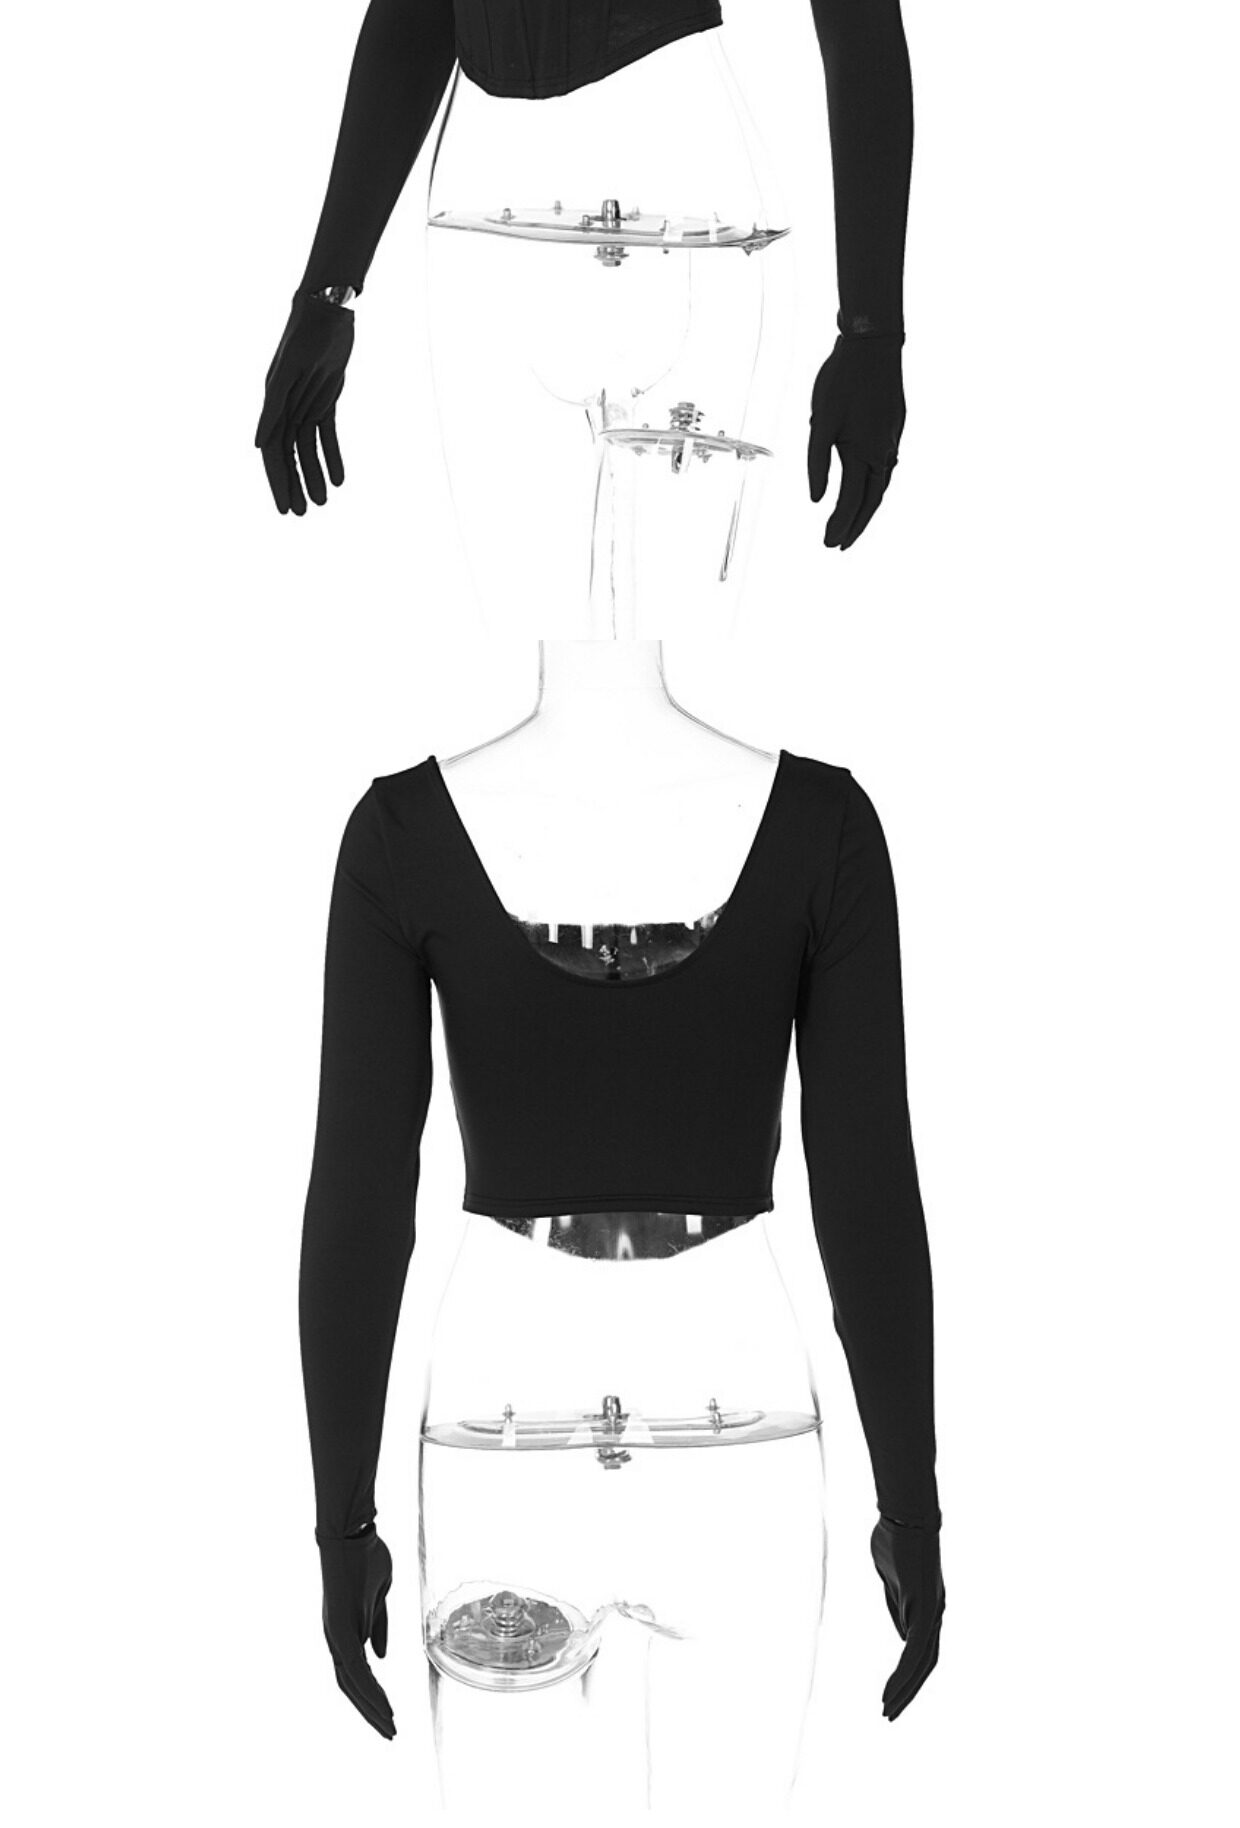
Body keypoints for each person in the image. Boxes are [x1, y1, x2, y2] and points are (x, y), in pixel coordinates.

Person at [256, 0, 914, 551]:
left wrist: (872, 330)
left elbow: (859, 19)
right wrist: (327, 290)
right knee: (523, 592)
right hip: (482, 201)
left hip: (685, 196)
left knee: (670, 583)